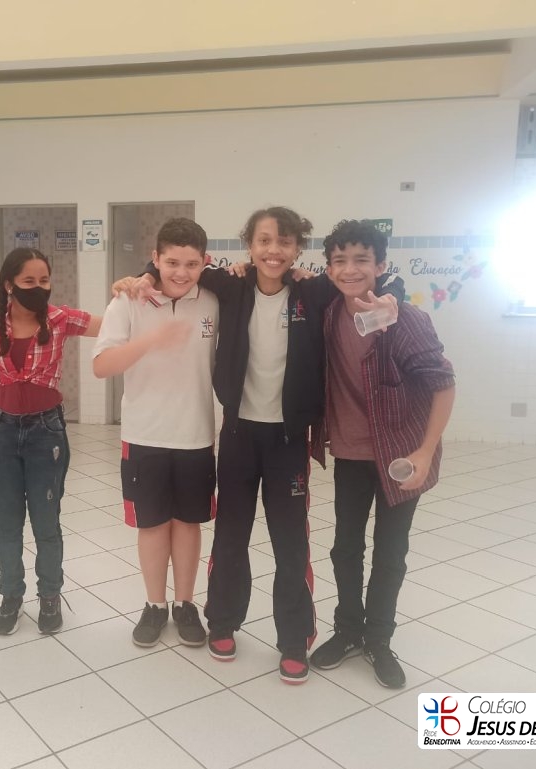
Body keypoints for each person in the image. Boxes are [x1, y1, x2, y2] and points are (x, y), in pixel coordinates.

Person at [118, 206, 402, 684]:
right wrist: (144, 274)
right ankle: (223, 623)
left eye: (285, 241)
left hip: (288, 441)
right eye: (265, 240)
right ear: (249, 245)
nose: (274, 250)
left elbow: (373, 281)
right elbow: (178, 266)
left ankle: (294, 639)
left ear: (297, 249)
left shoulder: (314, 291)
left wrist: (394, 295)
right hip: (238, 435)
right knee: (230, 536)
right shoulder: (230, 286)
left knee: (291, 543)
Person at [309, 220, 455, 689]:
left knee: (391, 553)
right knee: (345, 548)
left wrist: (425, 451)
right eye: (340, 261)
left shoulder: (405, 319)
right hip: (350, 452)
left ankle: (379, 639)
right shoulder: (328, 312)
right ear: (328, 268)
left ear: (381, 266)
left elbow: (444, 385)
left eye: (361, 260)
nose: (350, 270)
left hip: (401, 454)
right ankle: (348, 631)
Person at [0, 248, 101, 635]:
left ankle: (50, 595)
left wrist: (137, 287)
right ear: (9, 285)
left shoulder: (59, 319)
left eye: (44, 280)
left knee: (46, 524)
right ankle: (11, 596)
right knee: (7, 524)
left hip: (46, 433)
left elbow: (112, 324)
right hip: (0, 432)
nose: (38, 287)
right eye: (29, 281)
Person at [93, 218, 217, 649]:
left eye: (191, 264)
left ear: (205, 262)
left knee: (188, 524)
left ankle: (185, 604)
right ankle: (154, 605)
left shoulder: (214, 300)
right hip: (144, 435)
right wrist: (152, 339)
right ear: (155, 258)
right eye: (172, 262)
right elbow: (101, 366)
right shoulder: (128, 300)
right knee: (151, 525)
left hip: (196, 435)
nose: (181, 272)